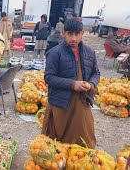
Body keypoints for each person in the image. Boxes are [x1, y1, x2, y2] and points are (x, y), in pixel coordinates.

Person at [42, 19, 100, 149]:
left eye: (77, 34)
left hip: (82, 102)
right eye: (69, 34)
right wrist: (72, 84)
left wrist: (91, 84)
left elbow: (96, 73)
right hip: (60, 103)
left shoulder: (90, 52)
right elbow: (49, 78)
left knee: (83, 137)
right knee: (57, 141)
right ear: (64, 33)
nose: (73, 38)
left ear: (82, 33)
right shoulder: (55, 53)